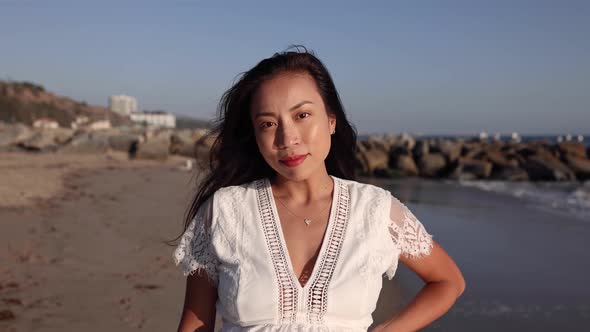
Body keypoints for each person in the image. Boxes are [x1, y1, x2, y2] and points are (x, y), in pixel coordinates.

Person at [172, 46, 465, 332]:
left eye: (302, 115)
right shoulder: (226, 210)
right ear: (255, 136)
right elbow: (195, 324)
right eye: (268, 123)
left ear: (331, 120)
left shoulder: (374, 209)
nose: (287, 138)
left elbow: (448, 281)